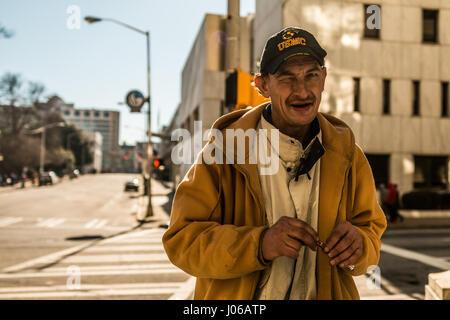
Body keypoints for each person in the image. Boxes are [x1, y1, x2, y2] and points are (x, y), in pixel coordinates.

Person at [163, 27, 387, 300]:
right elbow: (182, 241)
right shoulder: (223, 154)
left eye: (311, 75)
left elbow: (371, 232)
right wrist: (259, 244)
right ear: (262, 86)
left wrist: (360, 246)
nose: (302, 90)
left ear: (324, 78)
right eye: (287, 78)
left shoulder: (349, 156)